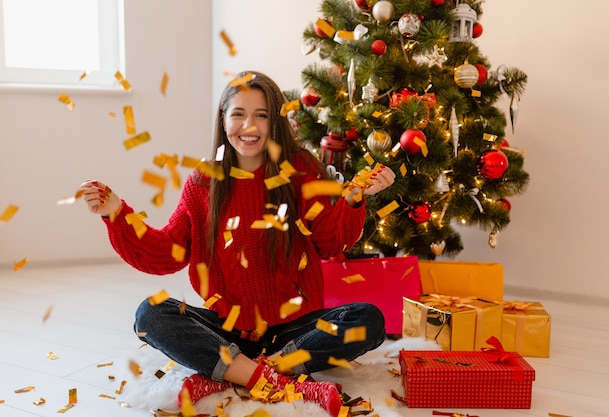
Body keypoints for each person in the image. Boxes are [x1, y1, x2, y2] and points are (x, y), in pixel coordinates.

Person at [80, 71, 395, 417]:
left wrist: (351, 202)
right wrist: (116, 214)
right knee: (150, 315)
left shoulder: (301, 168)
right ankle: (272, 377)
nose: (250, 126)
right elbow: (166, 254)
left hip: (296, 327)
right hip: (228, 329)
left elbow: (330, 244)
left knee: (368, 319)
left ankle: (236, 376)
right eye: (239, 114)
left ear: (274, 121)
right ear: (223, 119)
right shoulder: (203, 181)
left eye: (261, 115)